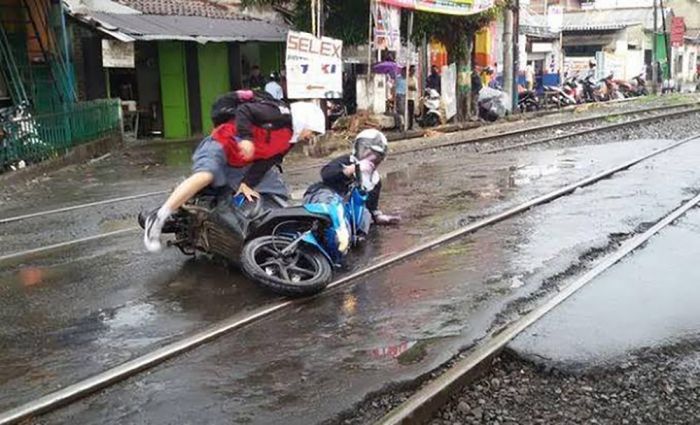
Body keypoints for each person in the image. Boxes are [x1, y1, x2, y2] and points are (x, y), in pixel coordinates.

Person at [143, 96, 326, 252]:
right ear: (305, 120)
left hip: (241, 163)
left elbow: (266, 163)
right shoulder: (278, 114)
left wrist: (246, 183)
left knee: (276, 188)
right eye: (313, 131)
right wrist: (246, 138)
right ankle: (159, 216)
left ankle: (274, 235)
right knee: (207, 174)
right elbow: (245, 111)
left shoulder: (289, 141)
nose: (311, 136)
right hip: (222, 144)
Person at [304, 129, 401, 239]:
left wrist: (378, 217)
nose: (370, 158)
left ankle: (352, 238)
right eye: (366, 151)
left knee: (364, 215)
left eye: (376, 156)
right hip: (326, 199)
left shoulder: (374, 180)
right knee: (331, 203)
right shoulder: (347, 161)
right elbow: (326, 174)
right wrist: (350, 170)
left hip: (347, 210)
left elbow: (371, 206)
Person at [407, 66, 418, 130]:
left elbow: (415, 88)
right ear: (409, 70)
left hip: (412, 98)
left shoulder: (415, 79)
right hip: (406, 98)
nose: (413, 72)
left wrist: (411, 87)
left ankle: (410, 126)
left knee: (411, 113)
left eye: (414, 70)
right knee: (406, 113)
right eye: (412, 70)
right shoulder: (407, 78)